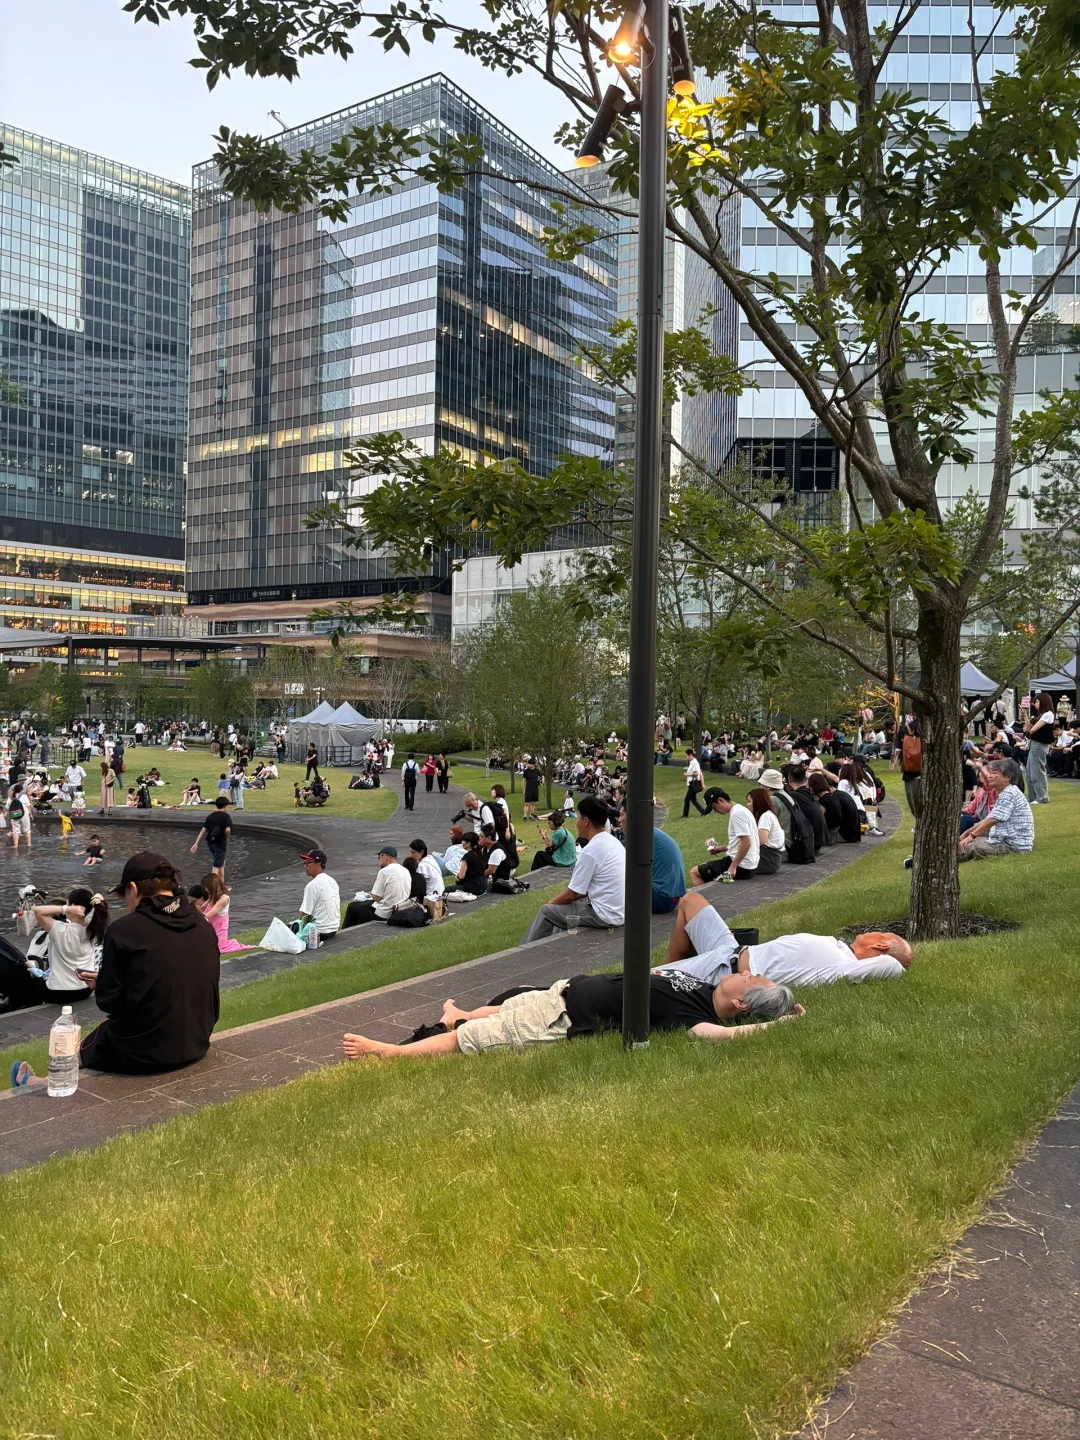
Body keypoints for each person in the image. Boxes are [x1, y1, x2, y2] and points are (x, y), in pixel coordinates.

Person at [12, 854, 219, 1084]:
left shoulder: (125, 931)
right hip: (198, 1040)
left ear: (132, 889)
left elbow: (110, 1003)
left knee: (101, 1036)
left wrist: (103, 983)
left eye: (125, 896)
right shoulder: (203, 924)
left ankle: (43, 1082)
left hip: (148, 1053)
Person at [341, 969, 798, 1060]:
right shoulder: (702, 987)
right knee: (505, 1004)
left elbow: (728, 1039)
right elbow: (742, 961)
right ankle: (455, 1012)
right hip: (566, 992)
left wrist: (780, 1022)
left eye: (752, 982)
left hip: (563, 1021)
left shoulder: (700, 1018)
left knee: (480, 1036)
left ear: (741, 1004)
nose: (747, 974)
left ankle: (385, 1052)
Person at [659, 892, 912, 986]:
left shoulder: (844, 968)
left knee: (635, 985)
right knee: (691, 901)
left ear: (881, 944)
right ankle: (670, 970)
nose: (875, 931)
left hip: (726, 970)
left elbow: (893, 965)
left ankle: (667, 977)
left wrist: (899, 954)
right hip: (732, 951)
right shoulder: (841, 951)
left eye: (882, 934)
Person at [519, 795, 625, 942]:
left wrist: (550, 902)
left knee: (546, 911)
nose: (576, 823)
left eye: (578, 818)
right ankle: (555, 942)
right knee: (563, 909)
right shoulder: (614, 843)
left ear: (586, 821)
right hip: (619, 911)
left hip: (604, 915)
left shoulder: (591, 851)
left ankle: (525, 951)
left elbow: (572, 894)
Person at [0, 889, 109, 1012]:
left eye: (67, 904)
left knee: (22, 977)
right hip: (85, 990)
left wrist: (64, 909)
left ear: (73, 908)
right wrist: (99, 898)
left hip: (58, 992)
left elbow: (37, 911)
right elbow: (100, 909)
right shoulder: (93, 930)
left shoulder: (60, 930)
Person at [614, 800, 687, 913]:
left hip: (661, 898)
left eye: (621, 815)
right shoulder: (650, 832)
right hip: (671, 897)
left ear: (632, 816)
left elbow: (627, 870)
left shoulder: (639, 836)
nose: (619, 820)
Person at [957, 759, 1035, 861]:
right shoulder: (1005, 792)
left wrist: (970, 836)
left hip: (1012, 846)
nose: (989, 776)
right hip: (1004, 842)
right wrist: (965, 835)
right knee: (965, 843)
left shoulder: (1009, 793)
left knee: (965, 847)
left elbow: (992, 820)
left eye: (994, 773)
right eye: (989, 772)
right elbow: (987, 819)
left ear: (1007, 777)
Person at [690, 789, 760, 884]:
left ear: (721, 800)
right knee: (707, 869)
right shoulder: (743, 810)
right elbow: (740, 843)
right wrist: (719, 849)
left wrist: (732, 867)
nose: (715, 812)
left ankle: (707, 898)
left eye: (714, 808)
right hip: (749, 865)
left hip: (741, 867)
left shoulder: (736, 814)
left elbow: (747, 842)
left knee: (694, 872)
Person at [342, 845, 413, 926]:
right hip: (401, 910)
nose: (378, 861)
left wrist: (371, 894)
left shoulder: (384, 871)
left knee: (352, 907)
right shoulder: (405, 870)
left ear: (384, 856)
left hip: (386, 913)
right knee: (363, 909)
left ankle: (345, 933)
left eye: (379, 858)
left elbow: (377, 898)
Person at [189, 873, 252, 952]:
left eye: (206, 887)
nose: (205, 890)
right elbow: (202, 909)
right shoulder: (212, 898)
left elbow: (207, 916)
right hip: (211, 931)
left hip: (219, 934)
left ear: (212, 886)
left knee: (209, 949)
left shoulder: (224, 899)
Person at [295, 849, 341, 939]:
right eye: (304, 863)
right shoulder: (332, 881)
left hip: (318, 933)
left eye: (308, 863)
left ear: (318, 864)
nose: (305, 867)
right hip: (333, 930)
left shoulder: (312, 885)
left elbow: (305, 915)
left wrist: (295, 931)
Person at [808, 772, 862, 843]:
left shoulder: (829, 799)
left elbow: (820, 820)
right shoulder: (839, 795)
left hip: (844, 835)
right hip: (854, 834)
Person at [1023, 691, 1056, 805]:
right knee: (1030, 772)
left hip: (1039, 745)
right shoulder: (1040, 715)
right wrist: (1025, 717)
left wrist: (1029, 729)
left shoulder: (1048, 714)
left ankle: (1042, 797)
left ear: (1043, 702)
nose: (1035, 704)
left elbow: (1032, 730)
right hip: (1034, 744)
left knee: (1038, 771)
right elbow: (1028, 728)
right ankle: (1033, 797)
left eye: (1037, 702)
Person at [785, 765, 827, 854]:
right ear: (805, 779)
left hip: (808, 842)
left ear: (789, 779)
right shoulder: (809, 793)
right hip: (819, 838)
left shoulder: (794, 795)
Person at [746, 786, 785, 875]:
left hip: (768, 860)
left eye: (749, 801)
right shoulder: (768, 815)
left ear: (758, 802)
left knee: (734, 863)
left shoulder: (766, 816)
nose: (747, 805)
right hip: (771, 859)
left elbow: (759, 841)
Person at [191, 795, 231, 878]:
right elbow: (227, 830)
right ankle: (213, 886)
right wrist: (226, 837)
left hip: (210, 842)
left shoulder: (211, 816)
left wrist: (196, 843)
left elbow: (203, 829)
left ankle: (221, 884)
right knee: (216, 865)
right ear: (225, 806)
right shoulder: (225, 816)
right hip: (220, 842)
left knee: (220, 862)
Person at [6, 781, 31, 851]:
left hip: (14, 815)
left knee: (15, 831)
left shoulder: (10, 798)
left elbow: (8, 808)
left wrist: (9, 816)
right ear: (20, 790)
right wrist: (30, 814)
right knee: (27, 830)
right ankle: (29, 845)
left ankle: (15, 846)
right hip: (24, 814)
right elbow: (28, 806)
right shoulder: (24, 796)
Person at [682, 747, 707, 816]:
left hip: (693, 784)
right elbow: (700, 773)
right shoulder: (693, 762)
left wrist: (687, 774)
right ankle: (703, 812)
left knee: (688, 800)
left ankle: (685, 814)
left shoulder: (694, 763)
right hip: (692, 784)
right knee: (692, 800)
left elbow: (697, 773)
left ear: (690, 755)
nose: (686, 757)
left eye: (686, 755)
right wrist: (702, 784)